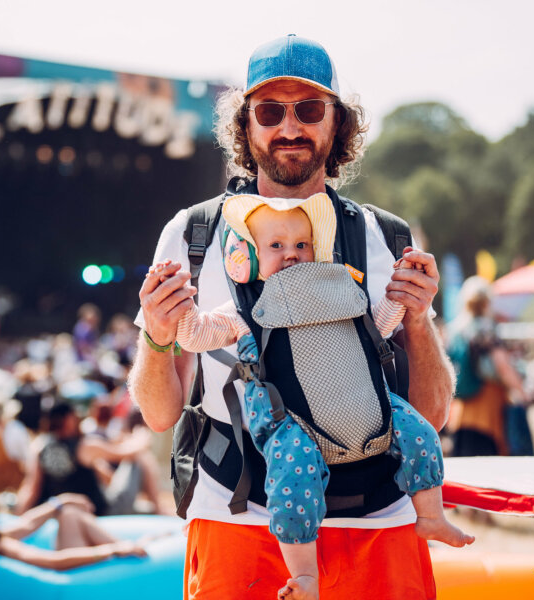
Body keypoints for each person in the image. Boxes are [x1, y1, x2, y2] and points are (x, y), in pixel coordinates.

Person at [129, 35, 452, 599]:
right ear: (246, 125)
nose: (289, 127)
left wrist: (419, 324)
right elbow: (160, 416)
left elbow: (431, 413)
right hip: (236, 516)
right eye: (270, 111)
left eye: (308, 109)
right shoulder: (192, 235)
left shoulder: (387, 238)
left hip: (377, 521)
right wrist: (158, 338)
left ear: (336, 122)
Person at [163, 193, 471, 599]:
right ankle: (305, 574)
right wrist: (178, 310)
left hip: (365, 405)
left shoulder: (340, 287)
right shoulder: (242, 308)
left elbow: (377, 323)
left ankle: (430, 514)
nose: (290, 255)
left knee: (420, 433)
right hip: (290, 422)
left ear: (319, 249)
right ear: (250, 256)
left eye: (301, 245)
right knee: (293, 475)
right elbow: (197, 336)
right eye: (276, 246)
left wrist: (402, 298)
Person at [0, 481, 147, 570]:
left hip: (69, 563)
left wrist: (61, 501)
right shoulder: (3, 546)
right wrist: (111, 550)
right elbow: (55, 561)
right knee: (70, 516)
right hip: (72, 578)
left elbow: (28, 524)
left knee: (68, 513)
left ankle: (131, 545)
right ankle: (129, 547)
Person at [15, 402, 168, 517]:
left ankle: (155, 508)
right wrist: (140, 438)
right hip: (99, 512)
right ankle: (158, 508)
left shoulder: (39, 447)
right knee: (141, 456)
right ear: (69, 420)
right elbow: (128, 453)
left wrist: (20, 517)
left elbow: (31, 488)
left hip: (63, 512)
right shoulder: (85, 446)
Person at [445, 276, 526, 458]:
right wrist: (521, 391)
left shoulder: (456, 329)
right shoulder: (486, 329)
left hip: (460, 408)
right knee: (487, 462)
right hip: (487, 406)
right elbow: (502, 366)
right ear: (487, 301)